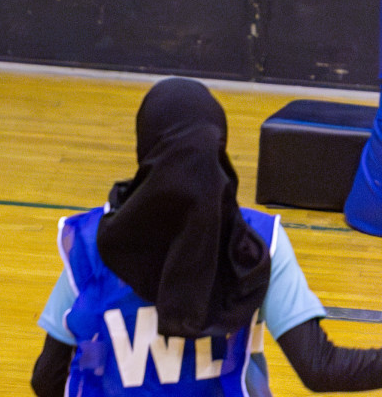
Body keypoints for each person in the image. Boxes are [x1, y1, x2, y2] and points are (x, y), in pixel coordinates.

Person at [32, 76, 382, 396]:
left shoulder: (91, 243)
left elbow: (47, 377)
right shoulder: (258, 243)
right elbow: (320, 369)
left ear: (145, 148)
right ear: (220, 143)